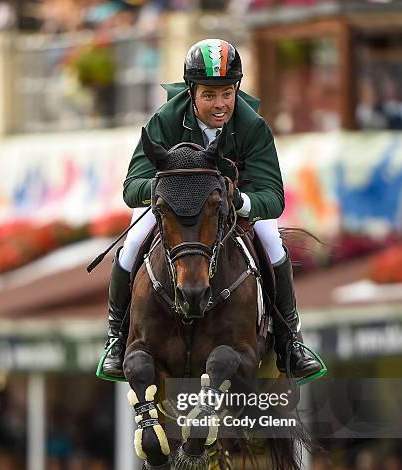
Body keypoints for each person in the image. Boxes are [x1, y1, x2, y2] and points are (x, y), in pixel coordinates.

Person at [102, 39, 325, 381]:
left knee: (272, 241)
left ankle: (289, 341)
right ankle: (117, 338)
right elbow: (132, 187)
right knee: (131, 244)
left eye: (227, 93)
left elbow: (273, 196)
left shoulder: (252, 127)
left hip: (233, 206)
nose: (220, 105)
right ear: (191, 92)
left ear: (236, 89)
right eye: (209, 95)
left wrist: (239, 201)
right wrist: (167, 190)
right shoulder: (165, 120)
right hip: (175, 208)